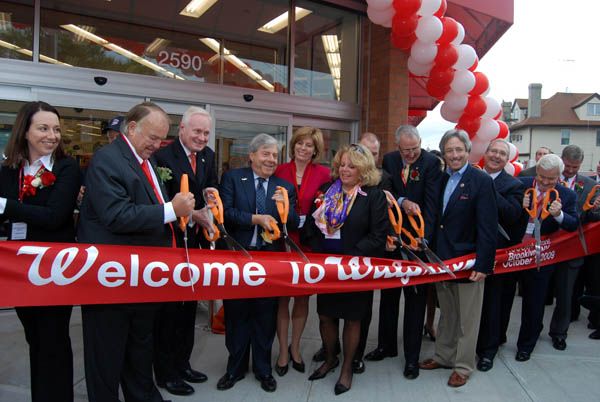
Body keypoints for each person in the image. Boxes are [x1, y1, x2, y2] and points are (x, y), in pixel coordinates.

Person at [78, 102, 195, 402]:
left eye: (161, 140)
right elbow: (116, 215)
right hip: (111, 279)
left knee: (139, 349)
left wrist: (187, 216)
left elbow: (151, 203)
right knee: (106, 356)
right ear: (131, 128)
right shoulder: (108, 159)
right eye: (153, 138)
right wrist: (171, 209)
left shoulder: (145, 160)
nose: (157, 146)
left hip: (141, 278)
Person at [0, 101, 81, 402]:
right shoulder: (10, 169)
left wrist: (8, 206)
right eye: (43, 128)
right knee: (34, 337)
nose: (52, 135)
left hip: (53, 269)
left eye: (57, 129)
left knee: (54, 339)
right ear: (25, 131)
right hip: (19, 270)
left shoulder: (67, 168)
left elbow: (54, 217)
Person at [302, 143, 387, 395]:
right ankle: (330, 358)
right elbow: (311, 225)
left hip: (355, 268)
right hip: (328, 267)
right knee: (326, 316)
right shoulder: (327, 190)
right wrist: (319, 248)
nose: (345, 169)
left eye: (351, 165)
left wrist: (349, 257)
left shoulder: (373, 195)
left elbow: (378, 235)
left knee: (352, 319)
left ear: (363, 169)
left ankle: (347, 368)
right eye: (341, 164)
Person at [217, 133, 299, 393]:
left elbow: (294, 223)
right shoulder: (232, 178)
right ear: (251, 155)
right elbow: (226, 214)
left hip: (270, 259)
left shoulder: (284, 187)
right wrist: (256, 219)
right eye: (265, 153)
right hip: (238, 256)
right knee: (237, 314)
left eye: (275, 155)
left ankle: (263, 369)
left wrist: (284, 209)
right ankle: (235, 369)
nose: (271, 159)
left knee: (265, 316)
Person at [419, 129, 497, 388]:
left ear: (467, 151)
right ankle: (443, 356)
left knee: (467, 319)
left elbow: (488, 226)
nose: (454, 155)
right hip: (443, 260)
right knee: (449, 314)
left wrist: (484, 265)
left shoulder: (481, 181)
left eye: (458, 150)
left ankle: (463, 367)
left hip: (469, 263)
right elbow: (436, 219)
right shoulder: (441, 179)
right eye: (449, 150)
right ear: (444, 153)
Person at [365, 125, 442, 380]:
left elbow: (432, 204)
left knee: (415, 300)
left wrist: (424, 238)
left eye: (415, 149)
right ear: (397, 147)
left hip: (416, 241)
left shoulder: (432, 163)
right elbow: (386, 193)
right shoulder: (389, 160)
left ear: (421, 142)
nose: (410, 154)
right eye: (405, 150)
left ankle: (411, 358)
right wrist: (400, 202)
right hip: (391, 239)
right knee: (388, 297)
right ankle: (386, 346)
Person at [152, 106, 218, 396]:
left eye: (206, 133)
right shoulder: (162, 157)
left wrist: (211, 212)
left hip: (197, 245)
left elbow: (209, 190)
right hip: (170, 243)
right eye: (197, 132)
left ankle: (183, 364)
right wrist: (193, 216)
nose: (202, 138)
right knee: (168, 313)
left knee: (189, 308)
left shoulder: (209, 156)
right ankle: (166, 372)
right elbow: (162, 200)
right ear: (182, 129)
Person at [501, 153, 578, 362]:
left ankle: (526, 346)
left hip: (541, 259)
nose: (544, 182)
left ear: (559, 177)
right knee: (503, 300)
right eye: (542, 177)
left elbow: (573, 224)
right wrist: (519, 204)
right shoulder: (521, 185)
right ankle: (497, 338)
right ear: (537, 172)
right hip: (514, 255)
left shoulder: (566, 196)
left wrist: (559, 215)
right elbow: (504, 214)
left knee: (534, 305)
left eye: (550, 179)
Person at [273, 126, 330, 376]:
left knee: (302, 297)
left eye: (309, 145)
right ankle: (283, 353)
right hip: (281, 241)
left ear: (316, 150)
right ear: (293, 145)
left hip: (308, 243)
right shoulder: (279, 170)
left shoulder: (324, 174)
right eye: (300, 143)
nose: (304, 149)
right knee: (282, 298)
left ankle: (295, 348)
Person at [475, 139, 528, 372]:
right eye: (493, 151)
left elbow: (512, 215)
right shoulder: (470, 178)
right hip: (469, 252)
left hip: (498, 256)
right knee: (472, 306)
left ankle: (488, 352)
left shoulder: (514, 185)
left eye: (502, 153)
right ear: (485, 153)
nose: (496, 156)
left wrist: (488, 186)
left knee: (494, 305)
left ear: (508, 160)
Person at [547, 145, 600, 350]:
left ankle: (559, 333)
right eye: (567, 166)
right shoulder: (547, 178)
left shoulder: (589, 185)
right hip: (546, 245)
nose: (570, 170)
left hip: (572, 249)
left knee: (566, 294)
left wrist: (596, 210)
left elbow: (591, 218)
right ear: (561, 161)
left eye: (574, 167)